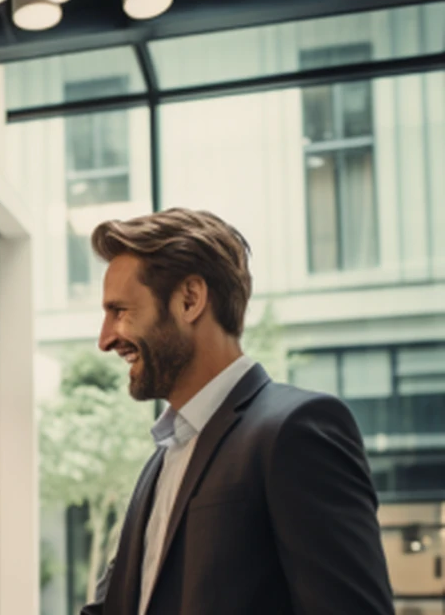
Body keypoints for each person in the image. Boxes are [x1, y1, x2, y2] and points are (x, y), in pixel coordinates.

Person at [80, 208, 393, 615]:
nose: (105, 339)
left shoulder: (296, 429)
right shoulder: (161, 461)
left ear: (190, 300)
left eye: (120, 311)